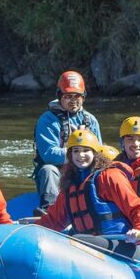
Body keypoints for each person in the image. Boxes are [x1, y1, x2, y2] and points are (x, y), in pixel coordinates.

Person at [36, 129, 140, 259]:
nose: (81, 155)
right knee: (71, 237)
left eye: (86, 150)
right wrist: (31, 231)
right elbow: (54, 220)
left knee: (74, 239)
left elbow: (137, 208)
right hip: (88, 244)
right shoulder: (70, 185)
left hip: (121, 245)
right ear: (70, 155)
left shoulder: (109, 176)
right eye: (76, 151)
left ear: (95, 153)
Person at [33, 70, 101, 215]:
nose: (73, 100)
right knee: (48, 170)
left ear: (83, 97)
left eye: (77, 96)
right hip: (58, 173)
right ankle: (49, 210)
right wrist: (77, 151)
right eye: (68, 96)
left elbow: (99, 153)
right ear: (59, 96)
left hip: (85, 170)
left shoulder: (91, 120)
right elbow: (49, 155)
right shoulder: (47, 120)